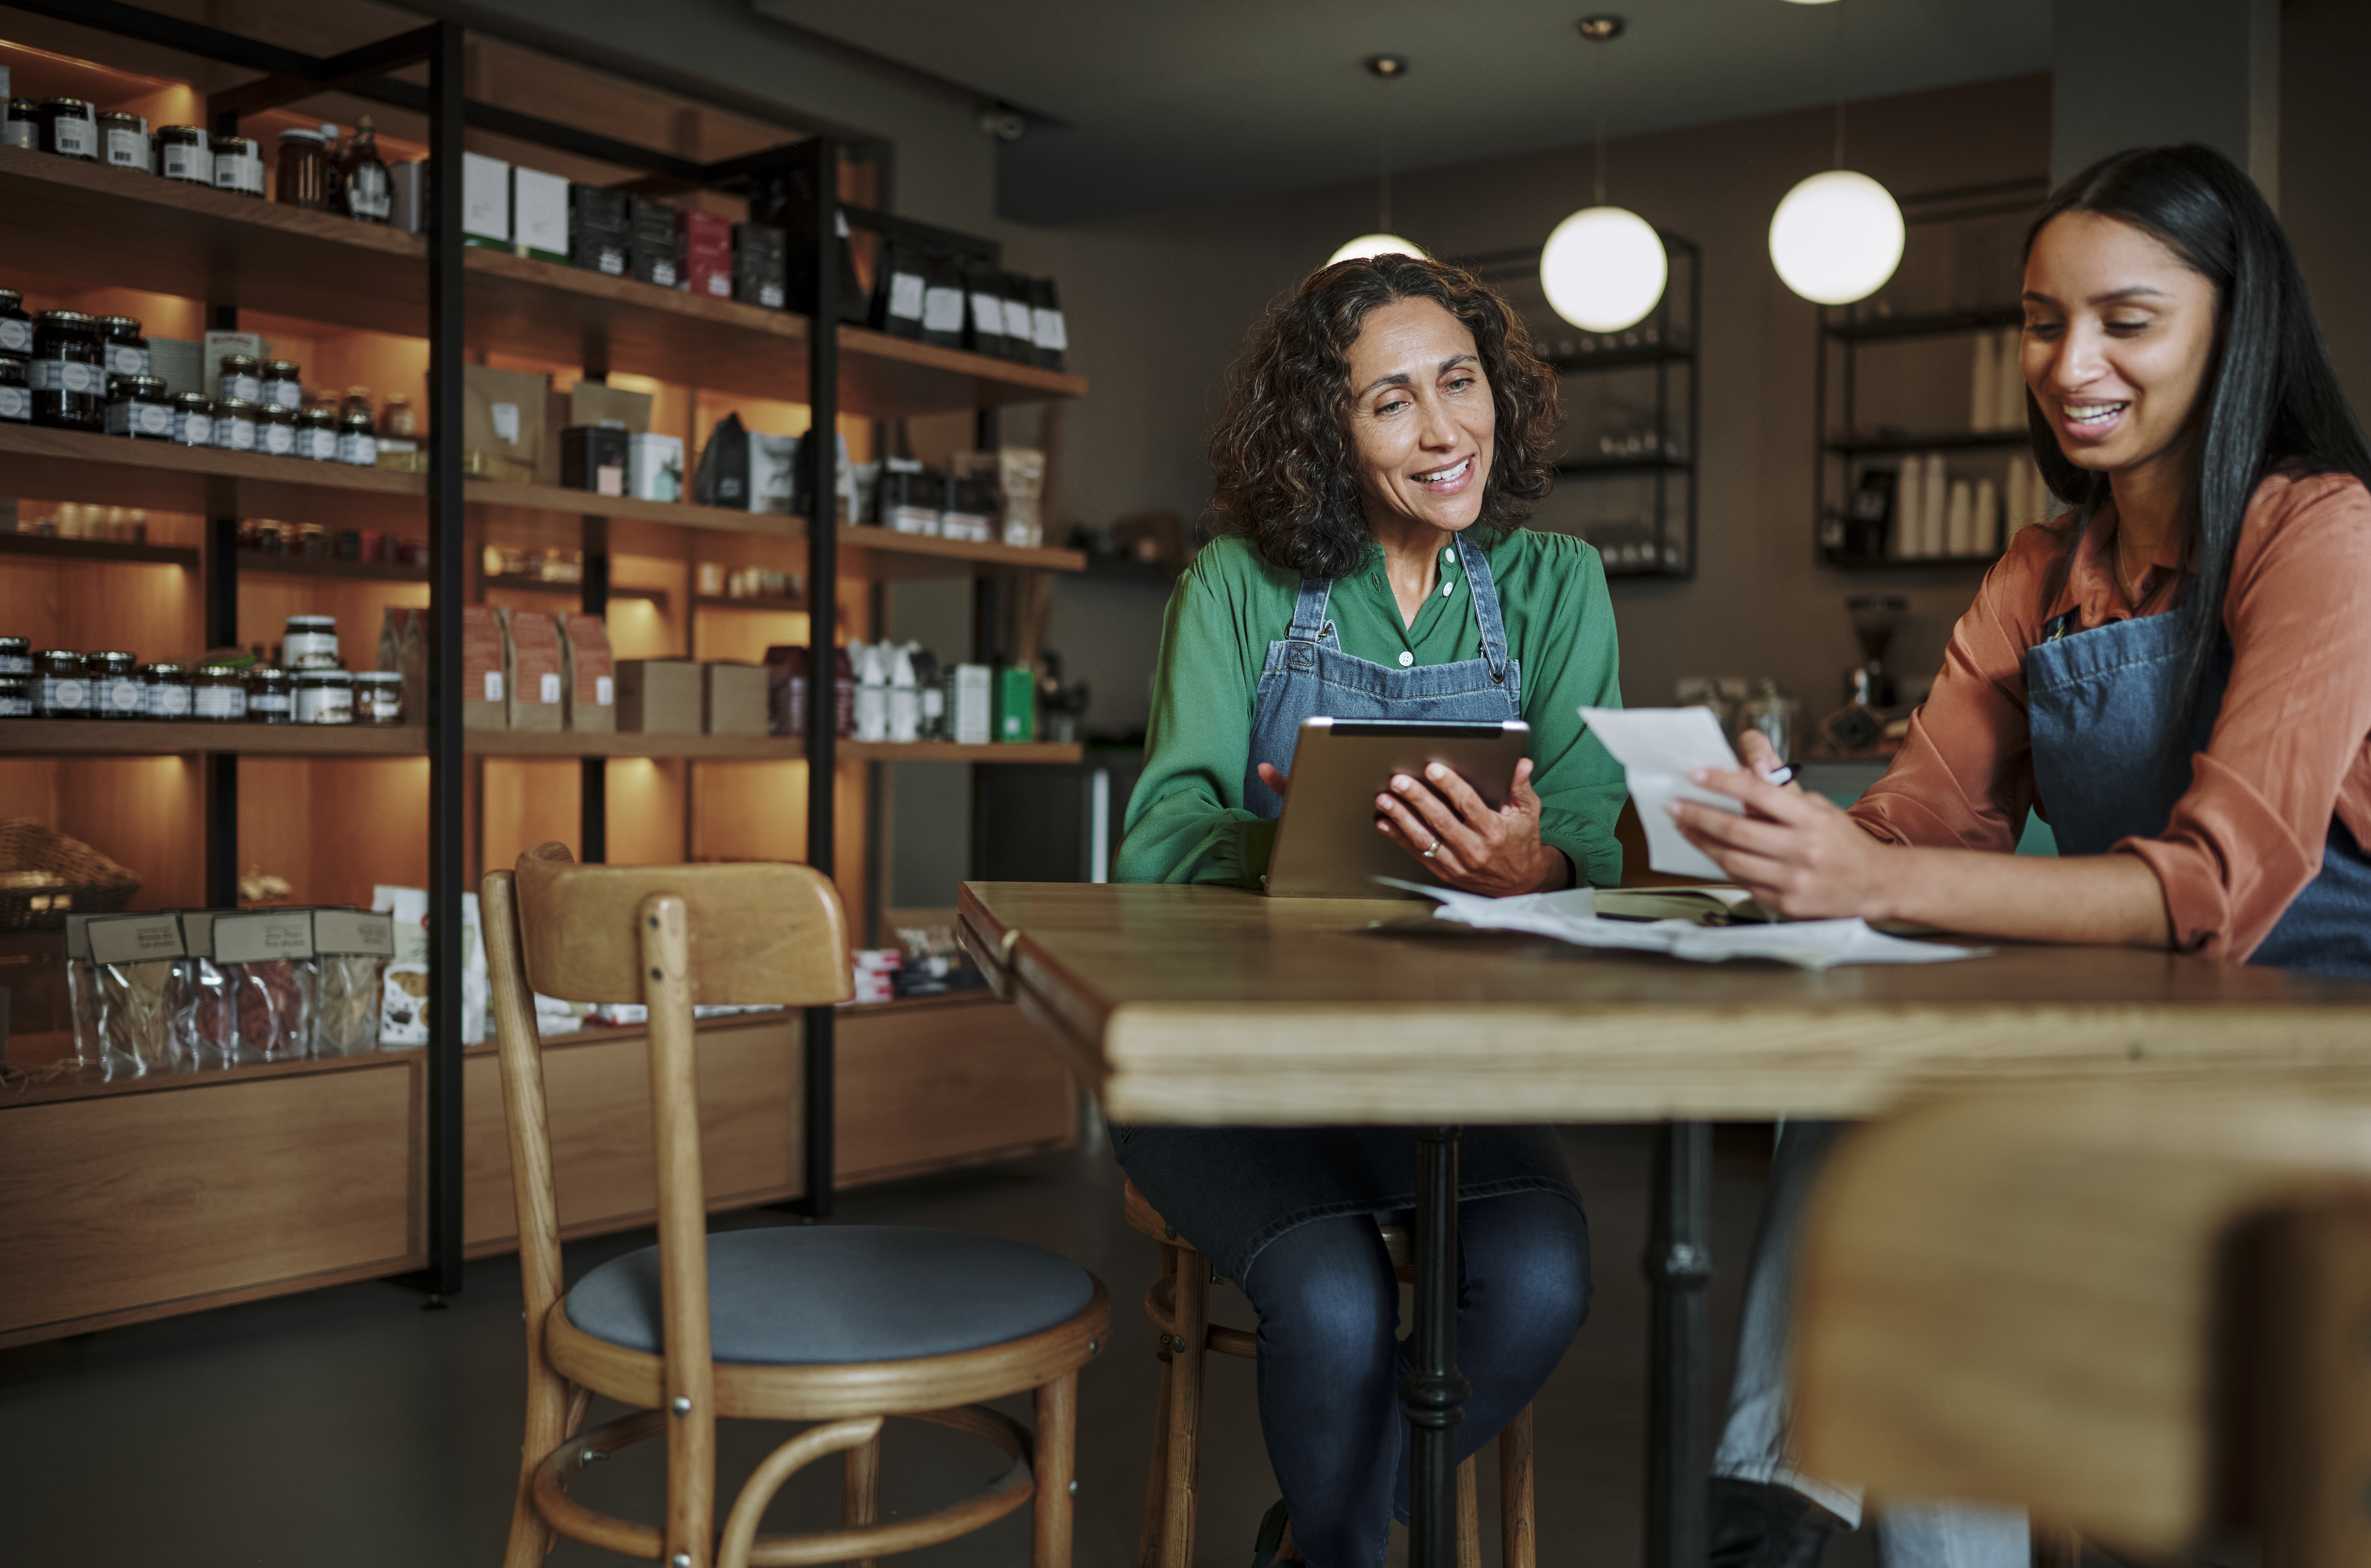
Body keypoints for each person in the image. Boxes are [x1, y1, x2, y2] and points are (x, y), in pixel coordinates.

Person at [1675, 144, 2371, 1568]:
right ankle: (1783, 1505)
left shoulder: (2321, 531)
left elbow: (2217, 890)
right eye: (2043, 320)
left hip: (2313, 1067)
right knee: (1882, 1087)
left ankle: (1774, 1503)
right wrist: (1778, 829)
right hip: (2134, 1037)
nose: (2070, 362)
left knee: (1923, 1176)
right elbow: (1911, 828)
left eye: (2127, 320)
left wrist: (1870, 882)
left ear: (2233, 329)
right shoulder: (2036, 572)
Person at [1115, 252, 1623, 1567]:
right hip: (1232, 1060)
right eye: (1388, 400)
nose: (1441, 429)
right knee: (1333, 1304)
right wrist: (1288, 840)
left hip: (1440, 1065)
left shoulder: (1557, 583)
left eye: (1459, 382)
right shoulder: (1235, 585)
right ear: (1319, 431)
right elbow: (1162, 839)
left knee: (1539, 1279)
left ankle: (1317, 1541)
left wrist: (1536, 868)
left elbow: (1582, 825)